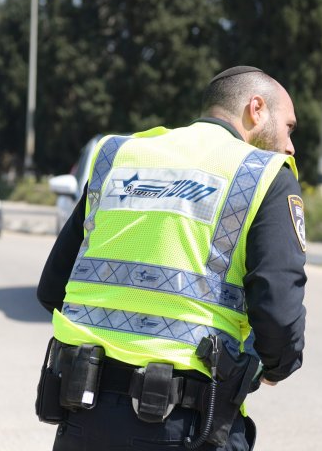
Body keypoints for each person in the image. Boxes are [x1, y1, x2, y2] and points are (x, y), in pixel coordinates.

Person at [36, 66, 307, 451]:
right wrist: (276, 365)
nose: (290, 145)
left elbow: (52, 289)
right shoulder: (263, 174)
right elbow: (279, 318)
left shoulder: (120, 155)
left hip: (83, 419)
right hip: (184, 428)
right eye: (289, 127)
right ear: (256, 108)